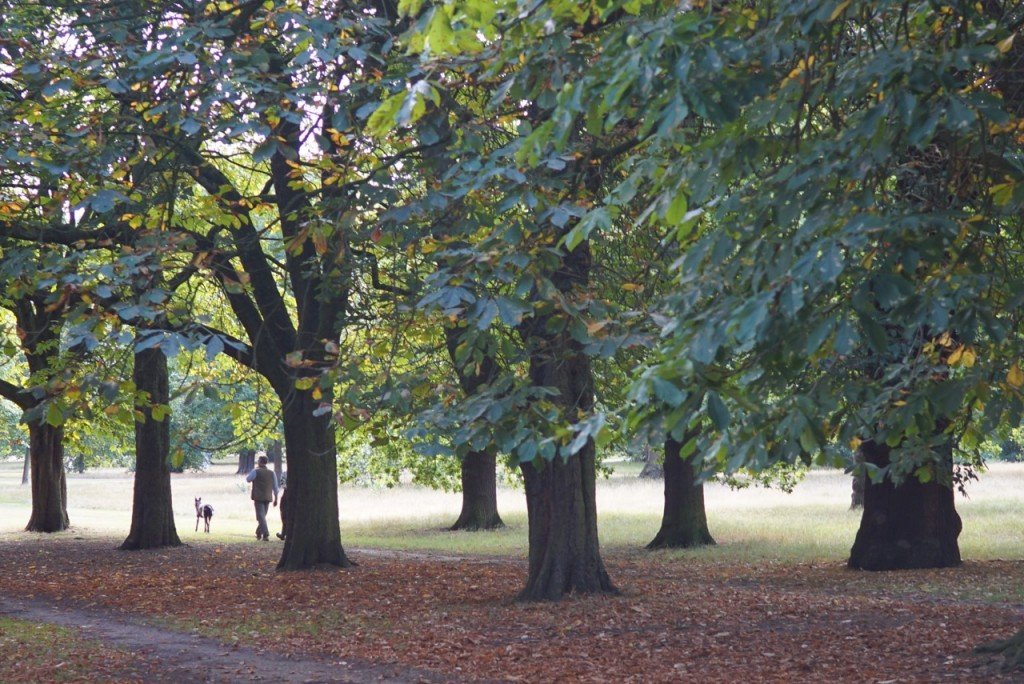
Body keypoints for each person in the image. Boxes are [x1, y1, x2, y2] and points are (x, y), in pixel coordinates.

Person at [245, 455, 278, 541]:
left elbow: (248, 479)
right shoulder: (272, 473)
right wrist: (276, 498)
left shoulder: (256, 471)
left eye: (258, 460)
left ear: (260, 462)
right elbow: (275, 487)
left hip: (258, 497)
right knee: (262, 516)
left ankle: (265, 534)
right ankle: (259, 532)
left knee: (261, 516)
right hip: (268, 497)